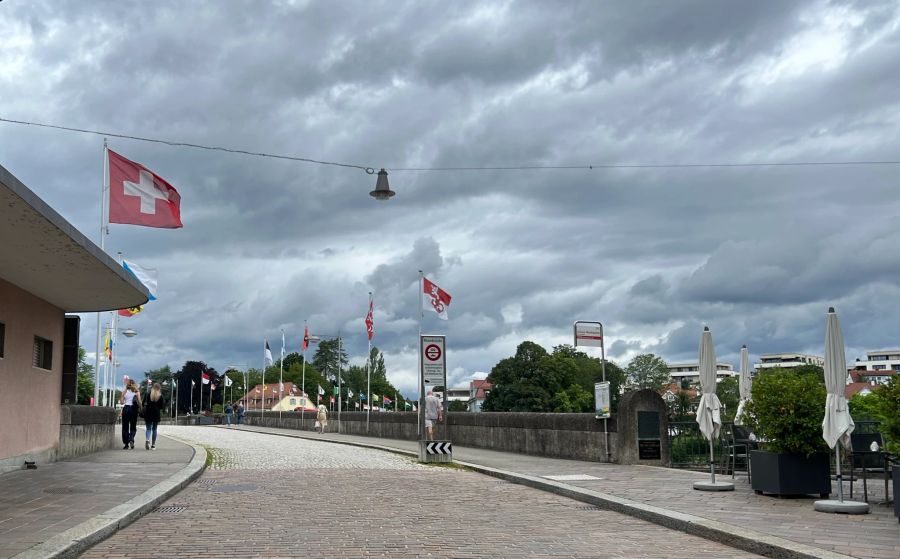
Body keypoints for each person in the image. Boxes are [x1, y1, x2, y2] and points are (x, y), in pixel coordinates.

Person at [119, 379, 142, 449]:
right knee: (133, 426)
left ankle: (126, 444)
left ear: (127, 385)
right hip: (134, 409)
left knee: (125, 427)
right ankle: (131, 439)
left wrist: (123, 395)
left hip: (126, 409)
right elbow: (140, 402)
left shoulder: (124, 392)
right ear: (134, 384)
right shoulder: (137, 392)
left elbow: (122, 402)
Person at [143, 382, 165, 450]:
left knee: (148, 428)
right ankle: (153, 445)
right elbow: (162, 406)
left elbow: (143, 403)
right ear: (159, 388)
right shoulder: (160, 396)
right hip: (156, 413)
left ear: (152, 387)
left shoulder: (148, 394)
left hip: (148, 412)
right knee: (154, 429)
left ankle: (147, 440)